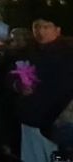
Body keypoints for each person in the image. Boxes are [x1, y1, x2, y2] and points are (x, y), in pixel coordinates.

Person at [14, 16, 73, 162]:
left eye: (46, 27)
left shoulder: (68, 53)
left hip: (58, 122)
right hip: (30, 120)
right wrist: (19, 85)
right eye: (37, 27)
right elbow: (10, 75)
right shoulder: (26, 51)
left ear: (57, 30)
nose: (40, 31)